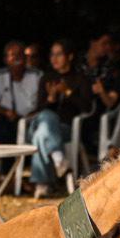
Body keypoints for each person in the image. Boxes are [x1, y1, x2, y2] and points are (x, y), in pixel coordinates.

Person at [28, 39, 92, 199]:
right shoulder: (47, 78)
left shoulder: (80, 79)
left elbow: (87, 108)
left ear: (69, 56)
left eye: (59, 54)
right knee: (47, 117)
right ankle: (58, 158)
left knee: (41, 135)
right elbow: (39, 110)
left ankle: (42, 185)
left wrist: (68, 93)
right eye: (52, 55)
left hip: (66, 129)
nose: (54, 58)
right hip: (41, 125)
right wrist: (50, 98)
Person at [0, 40, 42, 177]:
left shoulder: (37, 75)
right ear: (5, 59)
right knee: (1, 130)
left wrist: (34, 113)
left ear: (25, 58)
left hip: (32, 121)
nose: (16, 58)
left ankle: (35, 178)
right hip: (9, 120)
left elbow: (44, 102)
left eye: (20, 54)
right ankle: (8, 176)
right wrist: (6, 112)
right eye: (12, 55)